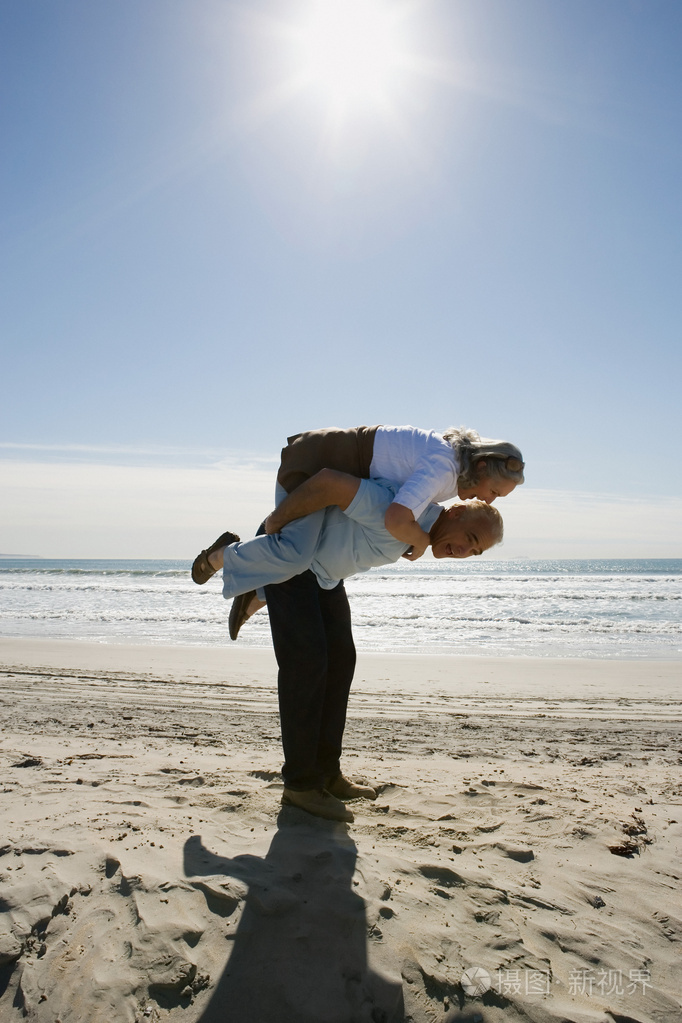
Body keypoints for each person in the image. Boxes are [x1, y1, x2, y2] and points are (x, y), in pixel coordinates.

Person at [200, 472, 504, 823]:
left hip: (324, 577)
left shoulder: (416, 531)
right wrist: (276, 521)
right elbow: (329, 485)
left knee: (341, 662)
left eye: (475, 550)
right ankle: (300, 785)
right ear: (452, 512)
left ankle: (327, 773)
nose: (464, 551)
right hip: (294, 564)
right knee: (307, 666)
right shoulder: (398, 510)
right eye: (469, 537)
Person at [191, 424, 523, 636]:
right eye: (494, 491)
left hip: (333, 483)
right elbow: (396, 517)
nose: (489, 498)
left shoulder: (449, 476)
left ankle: (254, 597)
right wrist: (421, 540)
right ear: (481, 466)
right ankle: (219, 556)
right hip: (312, 467)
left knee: (320, 562)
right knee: (295, 552)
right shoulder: (444, 469)